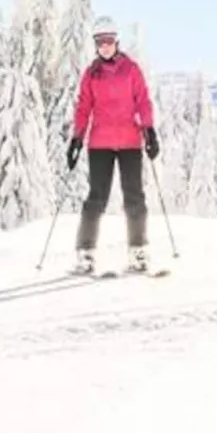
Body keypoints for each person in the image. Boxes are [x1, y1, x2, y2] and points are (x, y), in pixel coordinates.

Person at [67, 16, 159, 275]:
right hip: (100, 144)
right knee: (96, 199)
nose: (105, 46)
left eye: (109, 41)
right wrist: (76, 138)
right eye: (100, 42)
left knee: (134, 197)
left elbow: (142, 101)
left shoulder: (131, 69)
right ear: (95, 45)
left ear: (116, 41)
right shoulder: (91, 74)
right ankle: (85, 254)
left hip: (130, 142)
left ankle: (138, 252)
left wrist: (149, 130)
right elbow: (83, 107)